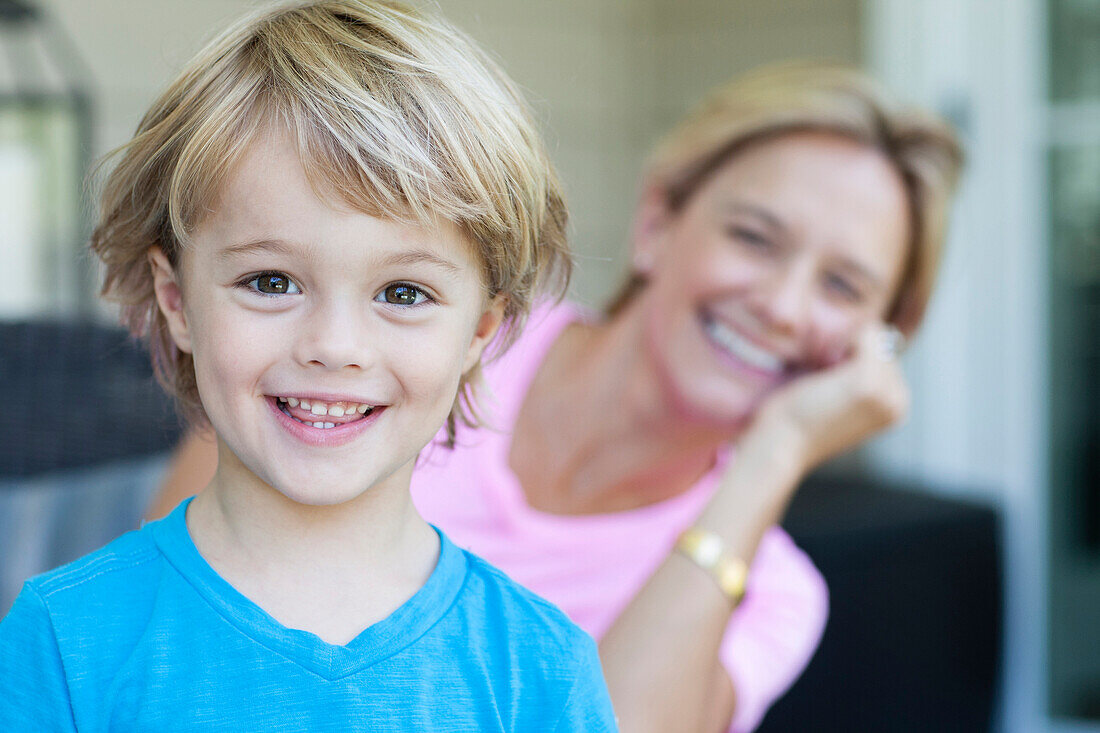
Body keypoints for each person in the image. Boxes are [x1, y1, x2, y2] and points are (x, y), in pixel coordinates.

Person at [150, 63, 964, 732]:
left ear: (879, 340)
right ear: (656, 224)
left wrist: (774, 454)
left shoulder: (773, 589)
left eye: (842, 284)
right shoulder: (425, 337)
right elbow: (165, 627)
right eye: (754, 237)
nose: (784, 306)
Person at [0, 2, 618, 730]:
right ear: (177, 300)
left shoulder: (538, 666)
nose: (334, 343)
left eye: (403, 292)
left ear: (480, 329)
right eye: (271, 281)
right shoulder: (65, 636)